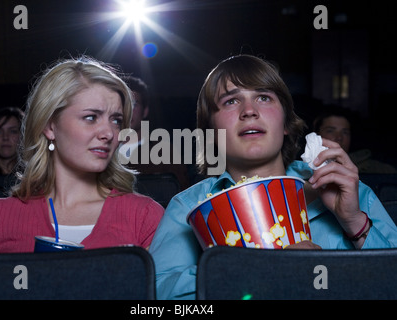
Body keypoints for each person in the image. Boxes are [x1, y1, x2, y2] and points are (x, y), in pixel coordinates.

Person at [149, 54, 397, 300]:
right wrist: (260, 269)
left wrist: (354, 222)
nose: (249, 111)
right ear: (211, 132)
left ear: (287, 123)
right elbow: (156, 297)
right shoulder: (188, 207)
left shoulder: (347, 190)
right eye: (230, 101)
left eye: (264, 97)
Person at [0, 56, 164, 253]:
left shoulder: (144, 216)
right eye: (91, 118)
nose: (109, 133)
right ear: (50, 126)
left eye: (116, 120)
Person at [120, 75, 191, 191]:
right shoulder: (105, 150)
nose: (129, 110)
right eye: (124, 104)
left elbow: (182, 196)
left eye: (134, 104)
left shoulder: (164, 152)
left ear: (145, 111)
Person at [313, 107, 397, 174]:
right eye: (330, 131)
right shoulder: (304, 169)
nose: (339, 137)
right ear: (316, 135)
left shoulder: (378, 170)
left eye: (345, 132)